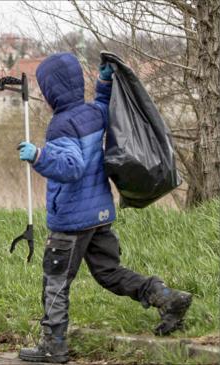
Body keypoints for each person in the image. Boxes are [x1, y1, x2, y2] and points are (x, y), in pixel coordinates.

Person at [16, 53, 192, 363]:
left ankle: (53, 344)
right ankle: (166, 297)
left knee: (55, 281)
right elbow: (101, 103)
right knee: (110, 273)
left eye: (45, 91)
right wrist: (104, 81)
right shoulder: (92, 114)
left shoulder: (61, 126)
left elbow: (71, 167)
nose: (43, 97)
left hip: (70, 221)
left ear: (52, 92)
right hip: (99, 214)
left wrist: (38, 156)